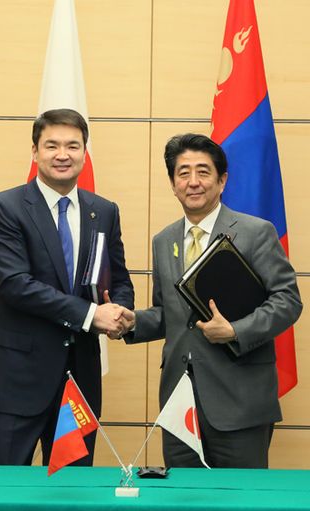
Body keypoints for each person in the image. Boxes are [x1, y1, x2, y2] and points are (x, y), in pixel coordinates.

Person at [119, 133, 302, 468]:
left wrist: (236, 330)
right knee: (182, 507)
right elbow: (170, 313)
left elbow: (288, 301)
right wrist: (134, 322)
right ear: (173, 184)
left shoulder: (255, 231)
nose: (193, 182)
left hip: (240, 400)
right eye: (183, 173)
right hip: (179, 403)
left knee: (241, 507)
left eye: (203, 172)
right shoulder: (164, 240)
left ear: (222, 180)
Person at [0, 108, 134, 466]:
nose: (63, 155)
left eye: (73, 146)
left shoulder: (103, 211)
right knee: (5, 494)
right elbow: (15, 285)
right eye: (52, 146)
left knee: (71, 493)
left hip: (80, 380)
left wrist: (120, 312)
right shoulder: (5, 207)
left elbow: (117, 278)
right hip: (16, 380)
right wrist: (93, 315)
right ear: (34, 152)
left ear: (84, 153)